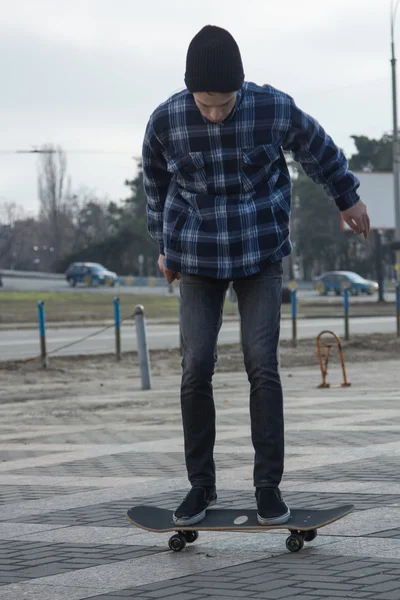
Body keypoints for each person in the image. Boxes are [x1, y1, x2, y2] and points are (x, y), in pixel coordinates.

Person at [142, 25, 370, 527]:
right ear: (189, 90)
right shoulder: (166, 120)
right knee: (196, 365)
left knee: (260, 363)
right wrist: (164, 247)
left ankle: (268, 489)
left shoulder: (272, 108)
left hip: (260, 251)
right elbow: (156, 186)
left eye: (225, 103)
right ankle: (200, 488)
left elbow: (319, 149)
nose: (216, 113)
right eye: (205, 104)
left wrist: (346, 196)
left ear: (240, 88)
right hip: (198, 257)